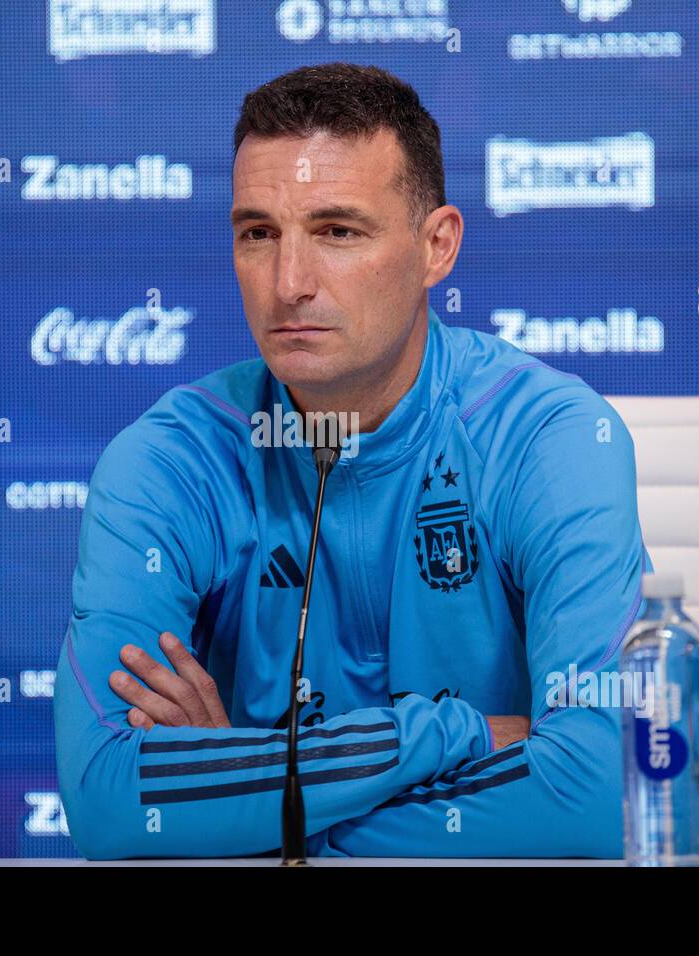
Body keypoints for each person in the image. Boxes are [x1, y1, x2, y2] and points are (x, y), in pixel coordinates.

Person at [53, 62, 651, 859]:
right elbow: (107, 802)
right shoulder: (167, 464)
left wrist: (252, 815)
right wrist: (451, 734)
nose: (289, 283)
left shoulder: (554, 439)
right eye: (258, 233)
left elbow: (604, 792)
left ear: (437, 246)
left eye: (338, 231)